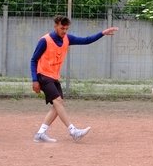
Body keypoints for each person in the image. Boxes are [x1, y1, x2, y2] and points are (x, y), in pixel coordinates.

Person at [30, 15, 118, 143]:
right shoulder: (45, 40)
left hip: (54, 77)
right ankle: (73, 131)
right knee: (58, 102)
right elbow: (33, 60)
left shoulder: (67, 39)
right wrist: (34, 80)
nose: (64, 31)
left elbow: (86, 40)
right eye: (62, 28)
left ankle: (40, 133)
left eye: (66, 28)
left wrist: (102, 33)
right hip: (43, 76)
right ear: (55, 26)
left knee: (57, 106)